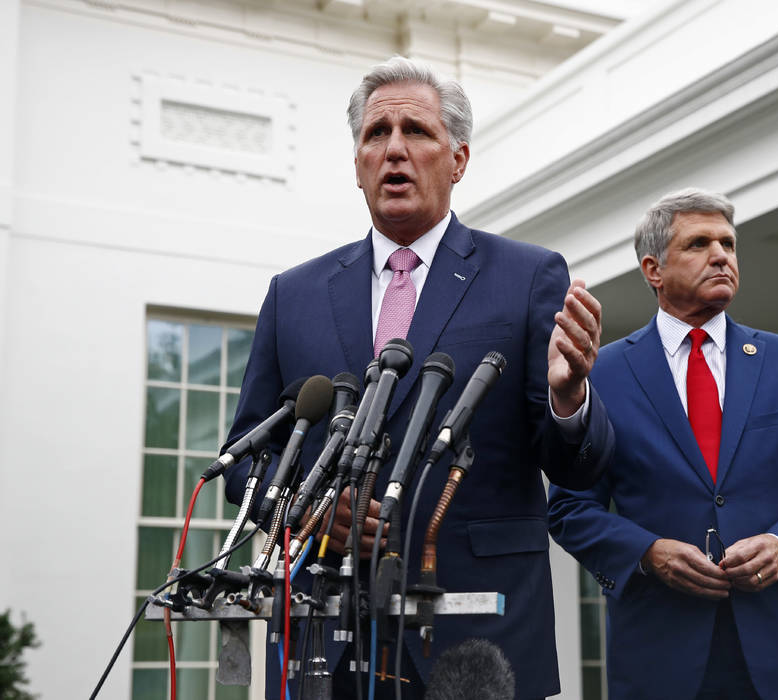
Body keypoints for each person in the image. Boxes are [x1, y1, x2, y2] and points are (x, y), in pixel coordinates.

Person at [224, 56, 611, 700]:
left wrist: (571, 401)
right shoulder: (293, 295)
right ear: (357, 165)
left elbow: (578, 468)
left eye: (417, 132)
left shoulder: (526, 277)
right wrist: (310, 512)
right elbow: (244, 462)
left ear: (458, 159)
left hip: (478, 640)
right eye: (376, 135)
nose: (394, 149)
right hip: (325, 637)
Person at [547, 188, 778, 699]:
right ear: (653, 269)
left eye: (728, 244)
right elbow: (569, 509)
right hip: (658, 655)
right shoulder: (602, 373)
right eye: (699, 243)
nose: (721, 255)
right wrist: (648, 552)